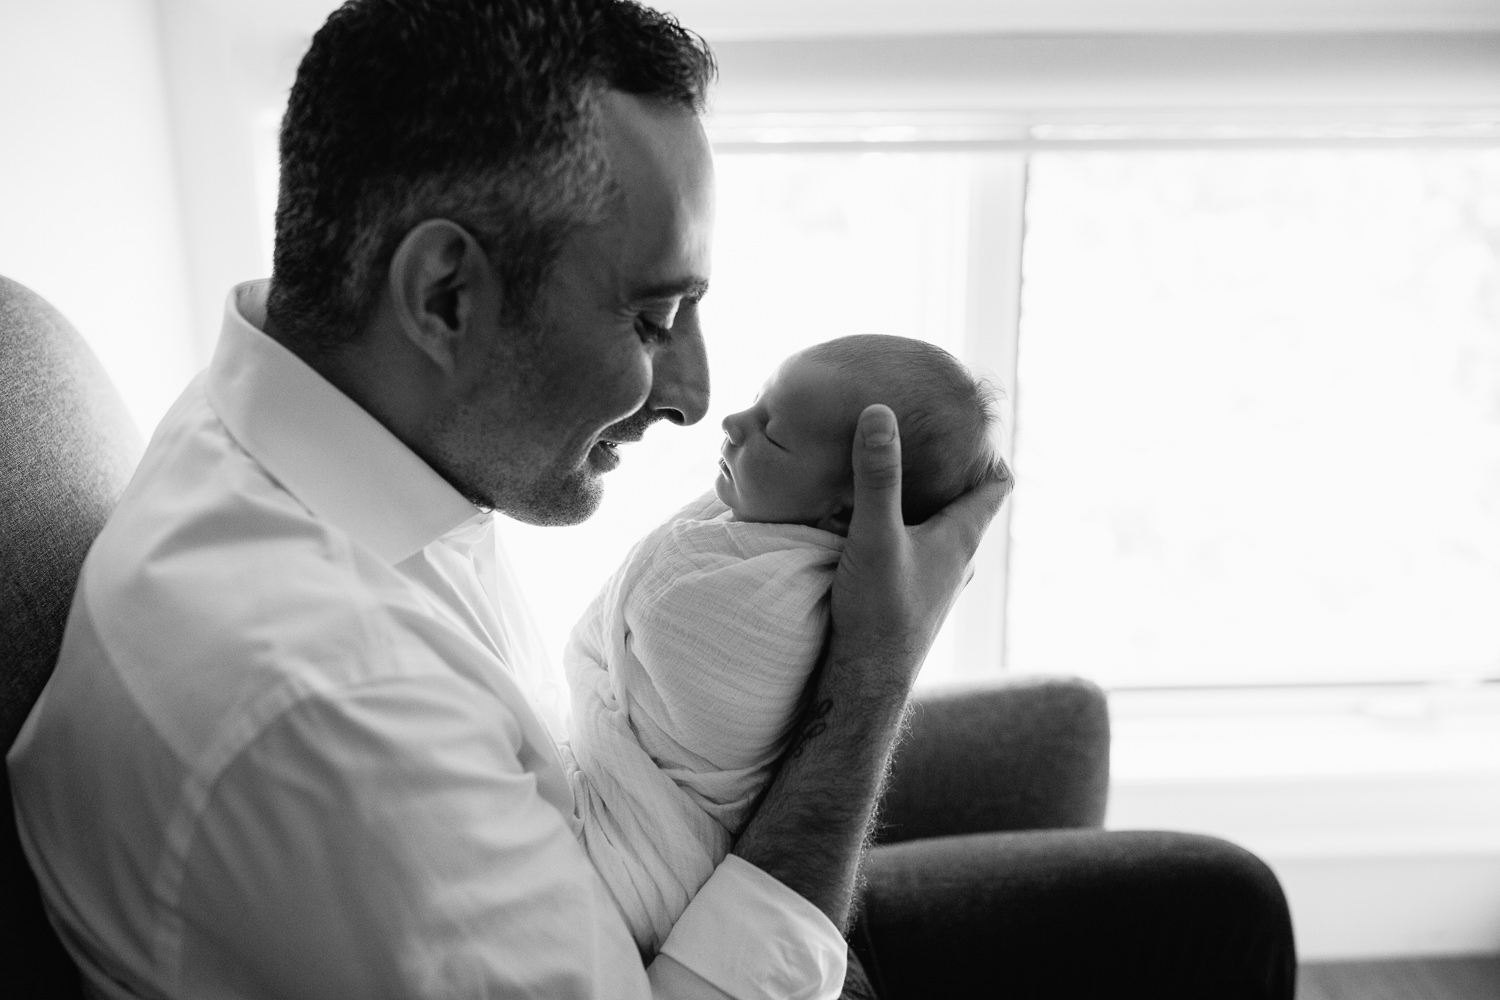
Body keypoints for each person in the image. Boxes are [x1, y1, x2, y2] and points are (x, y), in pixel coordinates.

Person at [7, 1, 1295, 998]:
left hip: (624, 876)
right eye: (652, 314)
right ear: (445, 295)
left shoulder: (296, 411)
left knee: (1167, 861)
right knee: (1211, 914)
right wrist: (868, 689)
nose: (693, 392)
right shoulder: (328, 711)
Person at [564, 335, 1002, 955]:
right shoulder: (772, 533)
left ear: (846, 516)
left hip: (651, 859)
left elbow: (669, 627)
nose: (731, 423)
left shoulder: (769, 601)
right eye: (755, 407)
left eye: (771, 433)